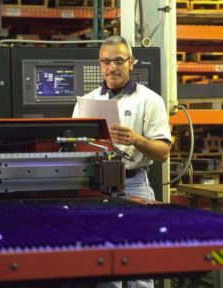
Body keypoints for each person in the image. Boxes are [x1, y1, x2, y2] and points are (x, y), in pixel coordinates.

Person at [72, 35, 171, 288]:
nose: (112, 67)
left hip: (135, 185)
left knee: (138, 268)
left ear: (131, 62)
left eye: (118, 60)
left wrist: (136, 139)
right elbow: (74, 147)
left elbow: (162, 153)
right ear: (100, 64)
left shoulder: (149, 100)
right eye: (106, 62)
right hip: (97, 188)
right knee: (105, 268)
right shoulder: (87, 102)